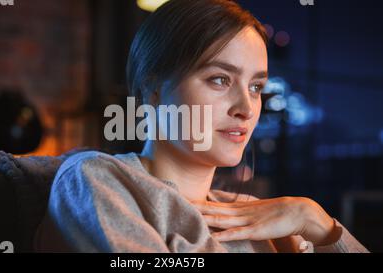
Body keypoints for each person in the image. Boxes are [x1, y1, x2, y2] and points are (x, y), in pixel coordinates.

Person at [34, 0, 368, 253]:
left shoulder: (263, 215)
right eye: (220, 79)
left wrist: (319, 224)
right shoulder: (99, 180)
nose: (246, 108)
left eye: (256, 87)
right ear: (153, 90)